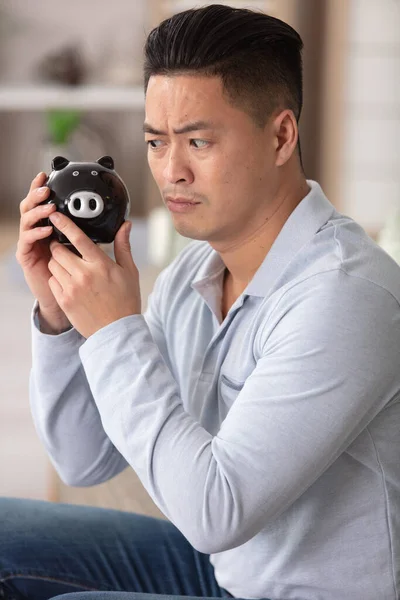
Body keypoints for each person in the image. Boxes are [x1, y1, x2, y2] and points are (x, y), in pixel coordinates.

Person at [2, 4, 400, 600]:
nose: (171, 172)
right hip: (221, 574)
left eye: (199, 141)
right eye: (157, 142)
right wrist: (61, 318)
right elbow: (86, 461)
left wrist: (115, 329)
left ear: (281, 135)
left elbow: (218, 512)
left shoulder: (345, 297)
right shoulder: (196, 270)